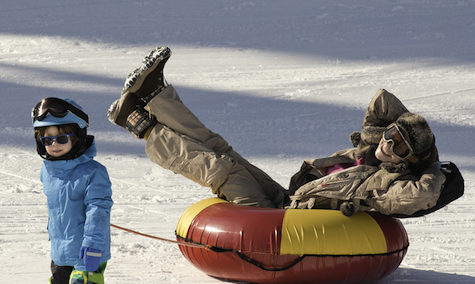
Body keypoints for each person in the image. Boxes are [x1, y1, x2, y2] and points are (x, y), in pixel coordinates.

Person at [108, 46, 445, 217]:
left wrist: (429, 163)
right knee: (220, 149)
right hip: (284, 199)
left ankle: (140, 124)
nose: (389, 144)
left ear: (407, 161)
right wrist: (405, 134)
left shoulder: (391, 184)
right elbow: (382, 103)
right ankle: (154, 94)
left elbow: (423, 196)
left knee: (220, 169)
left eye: (400, 147)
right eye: (392, 135)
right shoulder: (369, 147)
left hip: (279, 220)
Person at [32, 97, 113, 284]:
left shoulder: (93, 172)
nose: (54, 145)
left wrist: (92, 244)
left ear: (76, 137)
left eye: (61, 138)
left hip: (88, 246)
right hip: (60, 246)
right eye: (47, 139)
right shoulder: (48, 171)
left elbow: (99, 210)